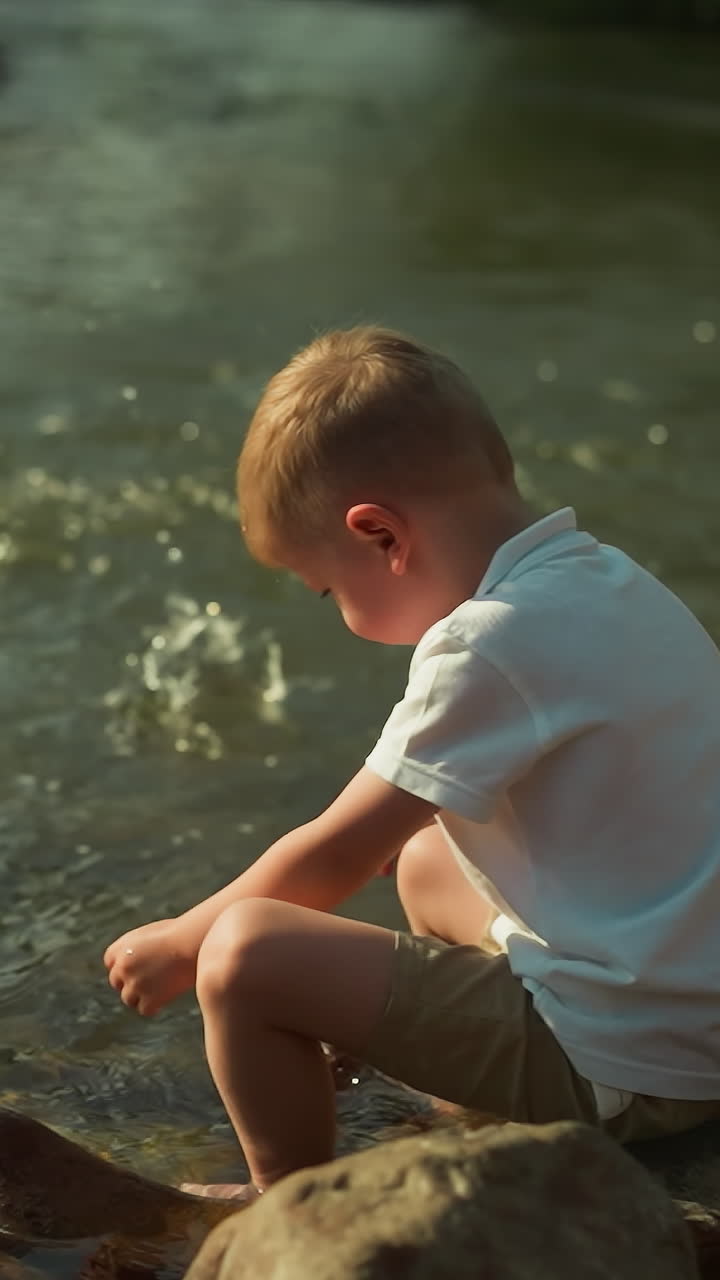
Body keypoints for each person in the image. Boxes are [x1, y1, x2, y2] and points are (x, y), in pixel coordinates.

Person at [104, 326, 720, 1201]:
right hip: (697, 1019)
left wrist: (178, 940)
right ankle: (468, 1103)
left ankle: (290, 1205)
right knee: (429, 858)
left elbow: (332, 855)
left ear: (381, 535)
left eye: (330, 590)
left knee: (244, 955)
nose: (339, 615)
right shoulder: (609, 579)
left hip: (631, 1068)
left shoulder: (485, 648)